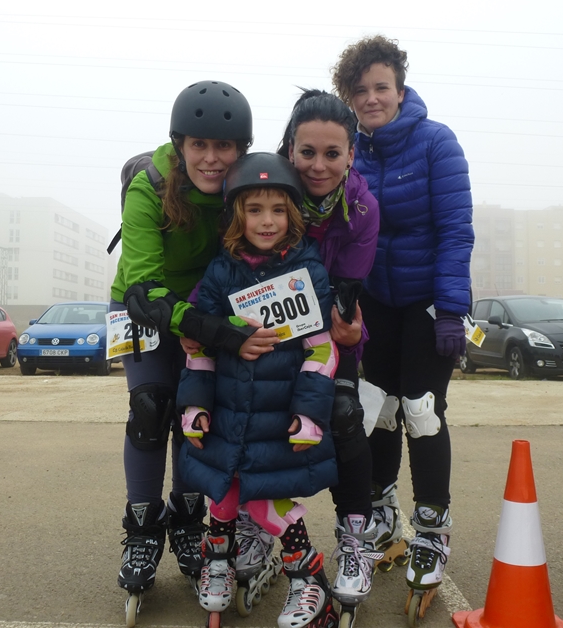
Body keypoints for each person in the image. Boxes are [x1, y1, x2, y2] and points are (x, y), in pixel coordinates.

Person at [109, 80, 279, 610]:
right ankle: (141, 528)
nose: (210, 159)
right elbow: (144, 287)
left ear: (241, 150)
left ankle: (186, 519)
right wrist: (216, 332)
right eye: (198, 145)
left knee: (194, 414)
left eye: (223, 147)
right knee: (150, 407)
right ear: (179, 144)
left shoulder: (242, 188)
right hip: (144, 302)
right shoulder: (149, 186)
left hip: (206, 309)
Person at [331, 36, 474, 598]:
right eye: (359, 89)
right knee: (378, 410)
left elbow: (456, 229)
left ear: (400, 87)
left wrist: (451, 311)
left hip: (425, 303)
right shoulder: (347, 148)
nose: (371, 98)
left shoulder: (437, 142)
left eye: (380, 87)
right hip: (373, 306)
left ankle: (433, 526)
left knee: (422, 410)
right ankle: (384, 511)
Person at [177, 152, 339, 628]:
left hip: (276, 414)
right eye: (254, 209)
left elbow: (322, 350)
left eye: (277, 209)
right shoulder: (220, 273)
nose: (266, 221)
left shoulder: (309, 273)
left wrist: (310, 416)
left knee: (274, 502)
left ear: (293, 214)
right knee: (222, 497)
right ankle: (219, 565)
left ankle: (308, 583)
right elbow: (199, 344)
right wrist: (194, 406)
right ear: (236, 215)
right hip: (227, 412)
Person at [276, 89, 381, 610]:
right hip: (267, 329)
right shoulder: (265, 187)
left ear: (351, 155)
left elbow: (346, 289)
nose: (318, 166)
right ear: (290, 149)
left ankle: (354, 542)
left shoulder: (362, 208)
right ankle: (260, 529)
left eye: (332, 154)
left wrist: (348, 335)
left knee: (343, 415)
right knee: (255, 416)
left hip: (329, 327)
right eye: (307, 152)